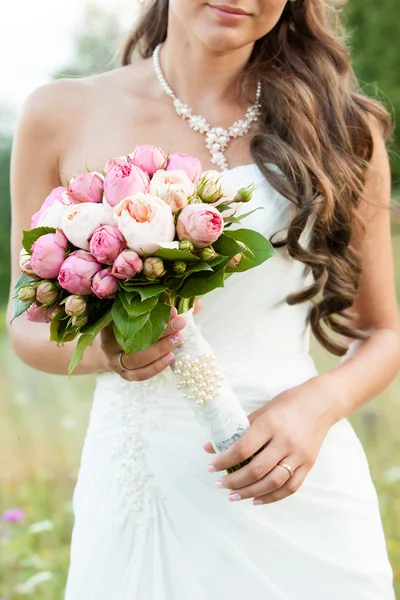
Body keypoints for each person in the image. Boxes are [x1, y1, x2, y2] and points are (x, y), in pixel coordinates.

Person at [7, 0, 399, 598]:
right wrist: (107, 352)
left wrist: (315, 409)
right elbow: (27, 326)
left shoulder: (342, 128)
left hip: (298, 480)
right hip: (143, 484)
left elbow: (383, 331)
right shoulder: (61, 114)